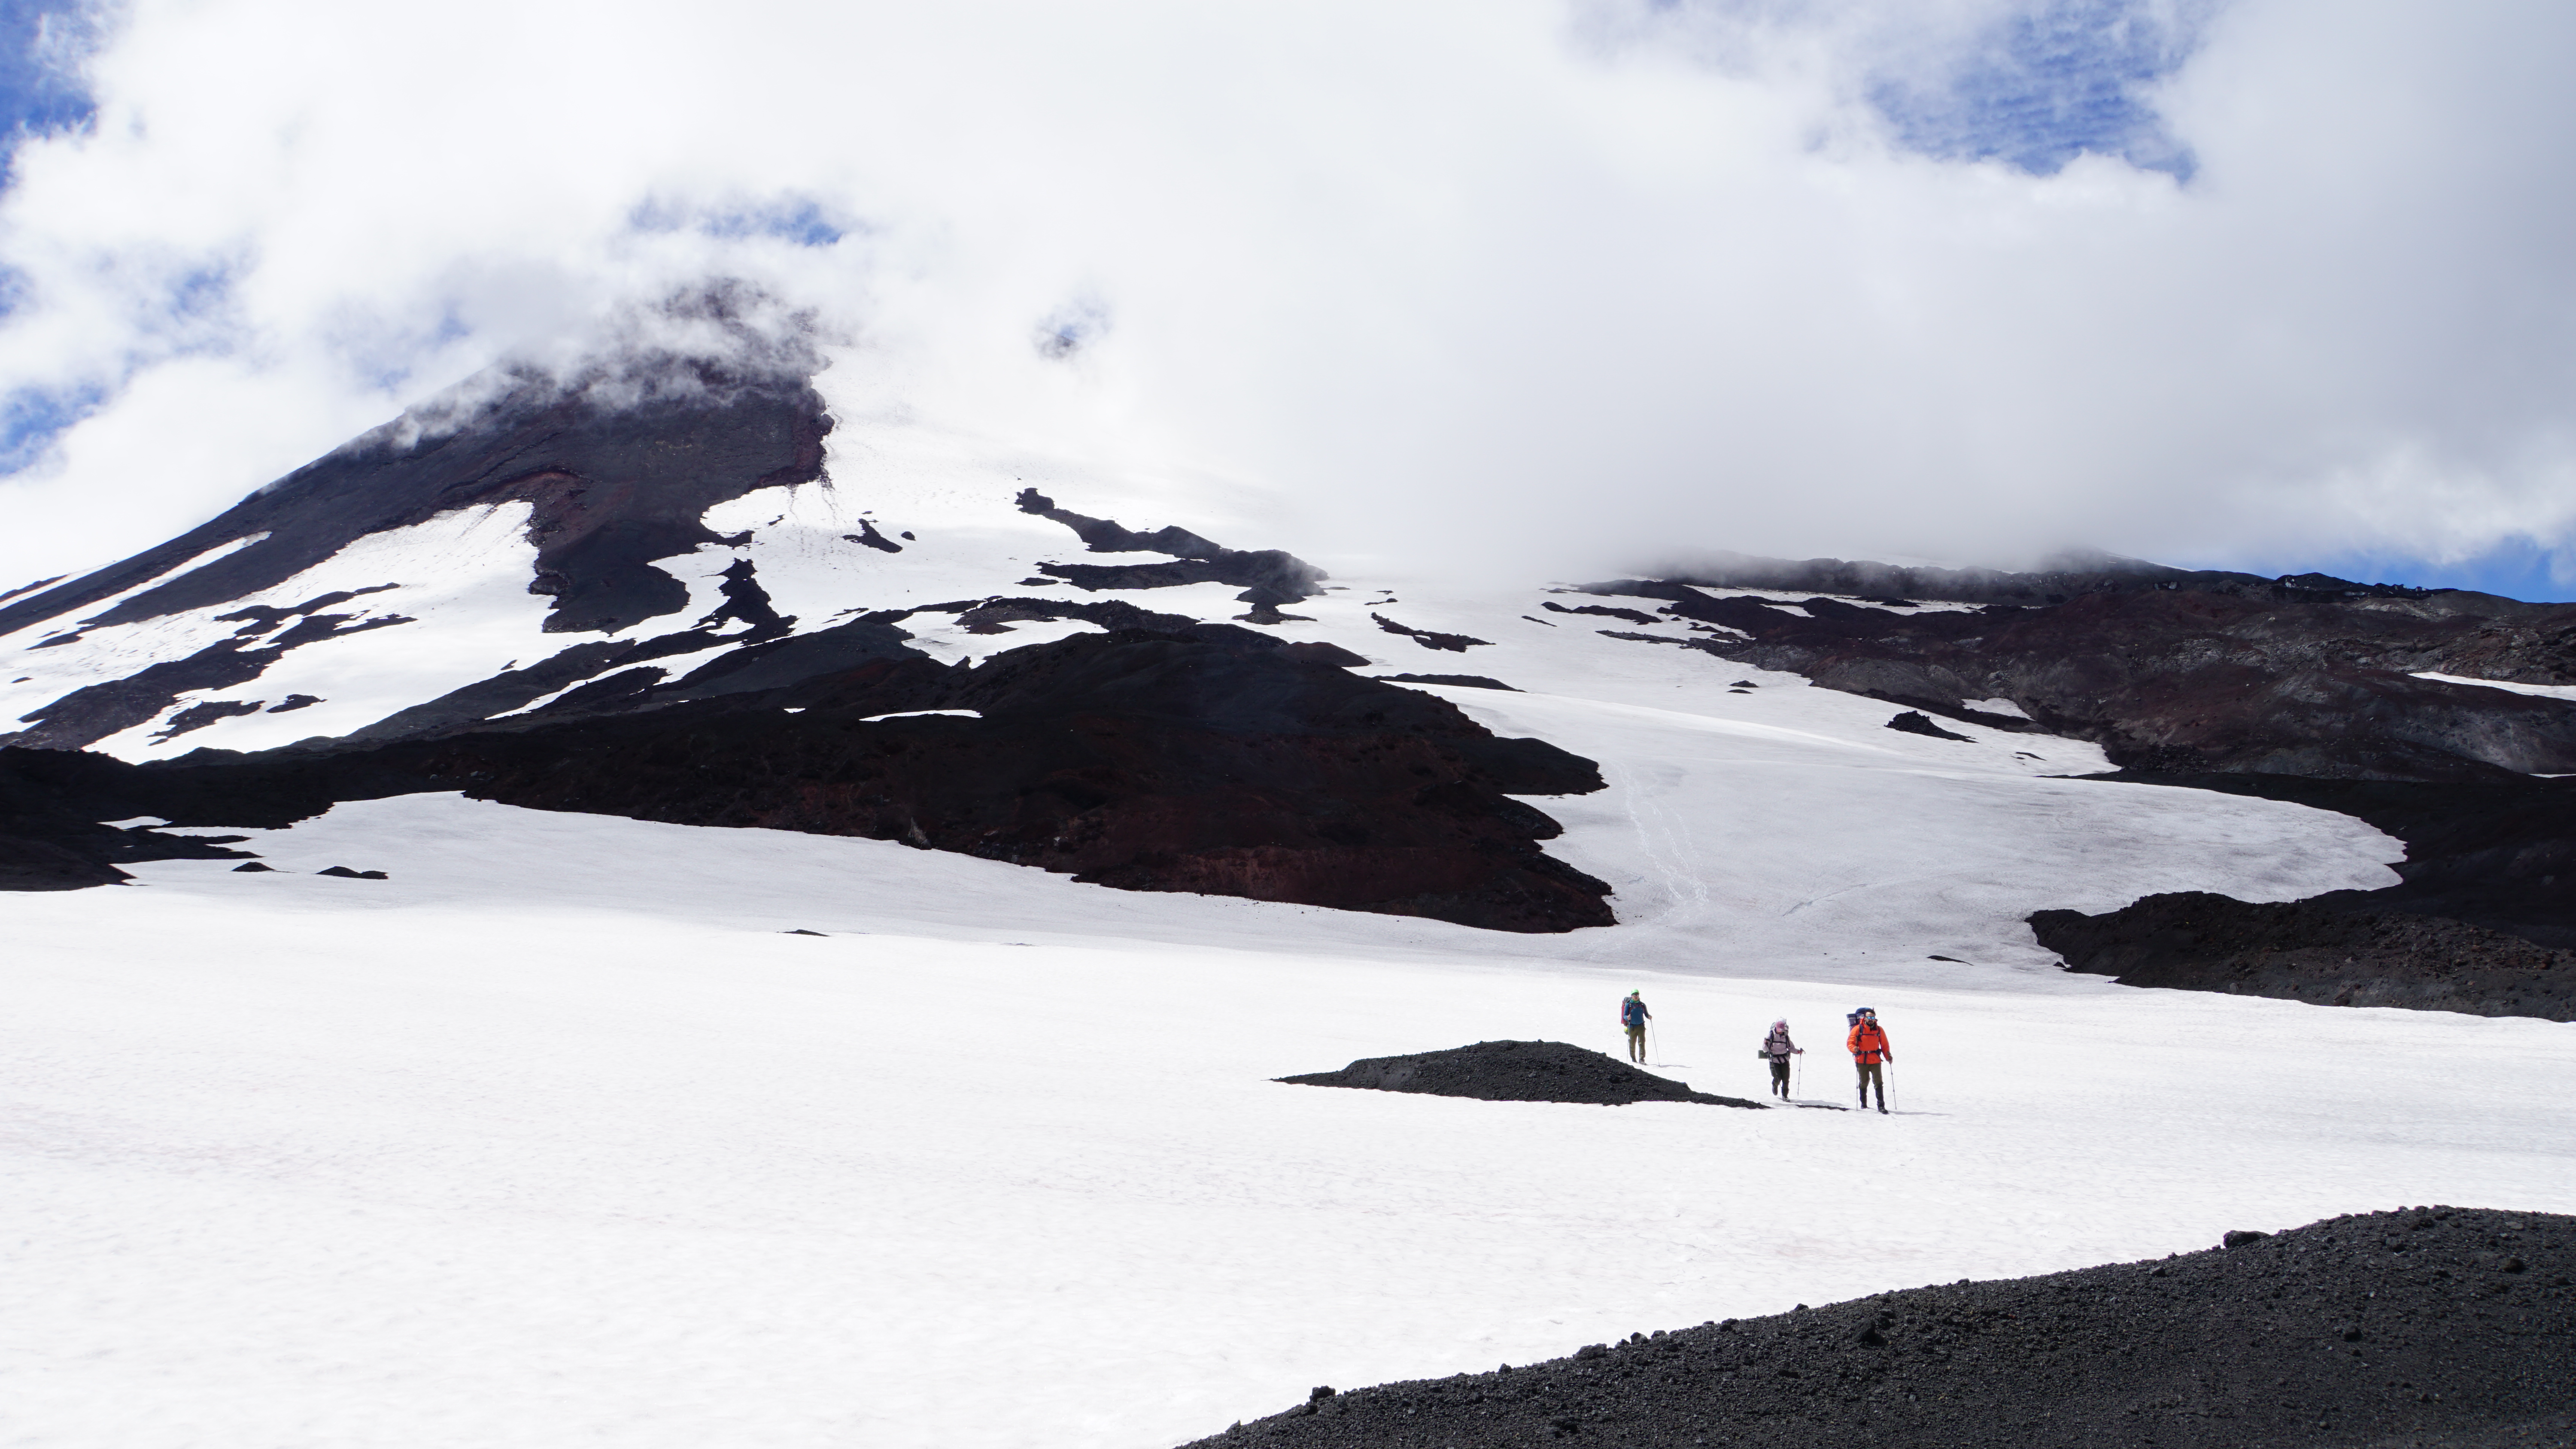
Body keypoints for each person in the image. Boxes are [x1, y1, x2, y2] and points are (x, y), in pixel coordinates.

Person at [1847, 1007, 1893, 1113]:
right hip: (1861, 1060)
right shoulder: (1858, 1029)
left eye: (1873, 1017)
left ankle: (1881, 1106)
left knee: (1879, 1082)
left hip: (1875, 1060)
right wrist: (1854, 1049)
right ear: (1865, 1018)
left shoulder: (1879, 1030)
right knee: (1864, 1082)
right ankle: (1864, 1104)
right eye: (1869, 1017)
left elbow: (1885, 1045)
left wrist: (1888, 1057)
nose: (1871, 1019)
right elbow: (1850, 1042)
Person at [1761, 1019, 1802, 1099]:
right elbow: (1765, 1049)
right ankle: (1775, 1085)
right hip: (1774, 1061)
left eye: (1782, 1030)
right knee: (1778, 1078)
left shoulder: (1786, 1037)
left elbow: (1791, 1048)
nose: (1781, 1032)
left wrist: (1797, 1052)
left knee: (1786, 1079)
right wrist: (1765, 1043)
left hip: (1785, 1060)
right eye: (1780, 1030)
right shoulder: (1771, 1036)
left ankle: (1785, 1096)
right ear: (1776, 1028)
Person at [1620, 992, 1652, 1063]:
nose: (1636, 996)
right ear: (1632, 996)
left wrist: (1649, 1017)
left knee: (1642, 1043)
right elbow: (1624, 1016)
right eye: (1635, 995)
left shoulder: (1642, 1005)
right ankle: (1633, 1058)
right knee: (1632, 1043)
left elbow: (1646, 1014)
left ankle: (1642, 1059)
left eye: (1637, 995)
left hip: (1641, 1027)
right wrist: (1627, 1017)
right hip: (1632, 1027)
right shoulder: (1629, 1005)